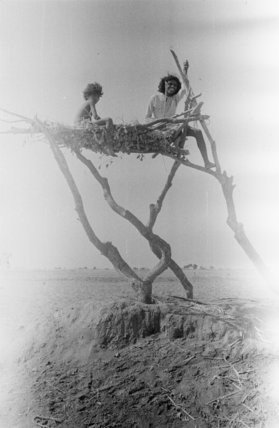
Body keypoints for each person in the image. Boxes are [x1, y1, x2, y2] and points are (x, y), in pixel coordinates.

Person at [145, 75, 215, 169]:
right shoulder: (154, 98)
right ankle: (177, 146)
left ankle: (206, 162)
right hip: (163, 129)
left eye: (175, 86)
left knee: (198, 132)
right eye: (170, 84)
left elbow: (184, 89)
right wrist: (158, 122)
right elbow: (147, 118)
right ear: (165, 84)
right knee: (177, 131)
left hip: (175, 125)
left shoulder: (175, 99)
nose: (173, 87)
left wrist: (184, 72)